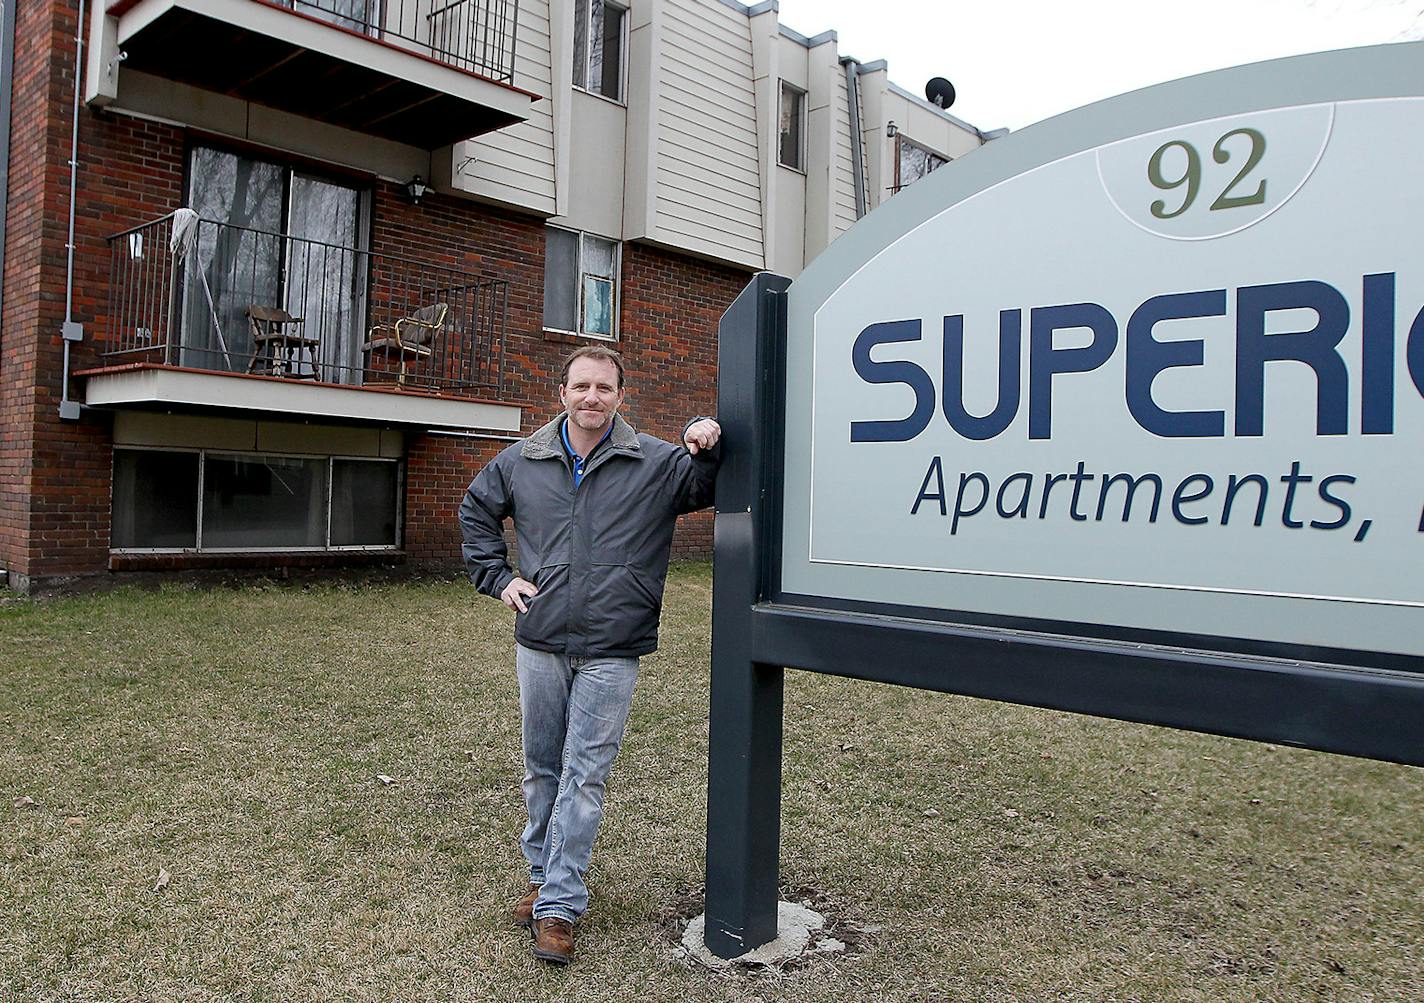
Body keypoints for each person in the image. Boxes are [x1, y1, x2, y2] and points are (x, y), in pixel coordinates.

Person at [458, 345, 721, 965]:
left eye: (604, 388)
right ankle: (543, 876)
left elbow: (704, 481)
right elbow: (476, 510)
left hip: (612, 645)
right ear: (563, 393)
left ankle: (558, 905)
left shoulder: (653, 460)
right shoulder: (524, 459)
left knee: (584, 775)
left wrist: (702, 439)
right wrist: (498, 578)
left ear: (620, 397)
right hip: (542, 638)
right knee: (542, 767)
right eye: (581, 386)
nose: (592, 397)